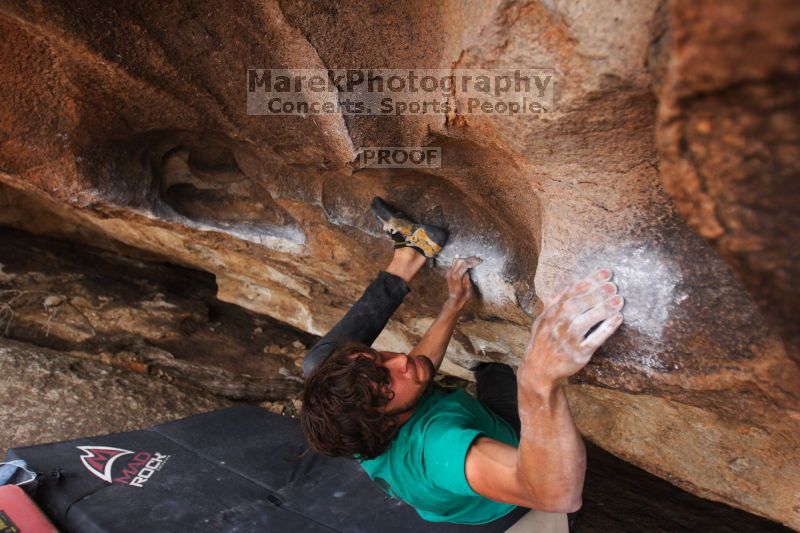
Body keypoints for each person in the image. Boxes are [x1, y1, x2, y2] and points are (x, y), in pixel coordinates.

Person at [300, 197, 624, 526]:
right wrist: (538, 382)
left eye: (379, 358)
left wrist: (453, 306)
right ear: (384, 426)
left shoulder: (351, 417)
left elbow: (403, 371)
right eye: (386, 383)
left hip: (461, 446)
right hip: (515, 495)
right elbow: (555, 494)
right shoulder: (437, 448)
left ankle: (411, 252)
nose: (400, 359)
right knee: (518, 385)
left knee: (319, 362)